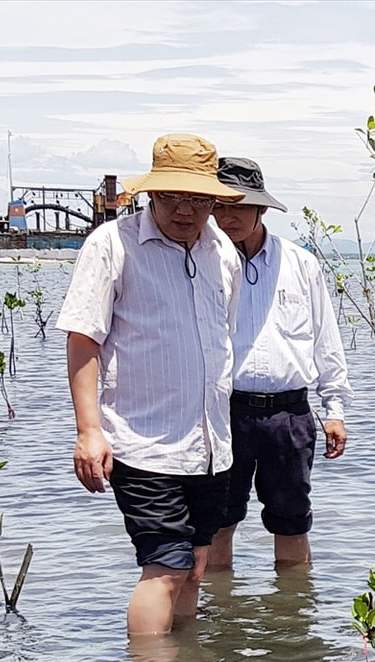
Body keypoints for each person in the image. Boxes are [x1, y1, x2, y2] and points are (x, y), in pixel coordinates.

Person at [58, 133, 243, 636]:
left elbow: (222, 336)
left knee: (196, 567)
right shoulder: (112, 244)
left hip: (210, 444)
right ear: (150, 195)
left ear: (214, 200)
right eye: (172, 197)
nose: (185, 210)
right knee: (164, 570)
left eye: (198, 199)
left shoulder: (221, 250)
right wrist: (88, 431)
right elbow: (82, 339)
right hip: (141, 441)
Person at [206, 156, 351, 571]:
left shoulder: (300, 264)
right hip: (223, 412)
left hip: (289, 413)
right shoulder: (202, 262)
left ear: (262, 208)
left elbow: (326, 338)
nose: (227, 217)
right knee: (218, 521)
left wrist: (334, 410)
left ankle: (292, 618)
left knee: (292, 521)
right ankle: (222, 617)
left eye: (238, 206)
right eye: (220, 206)